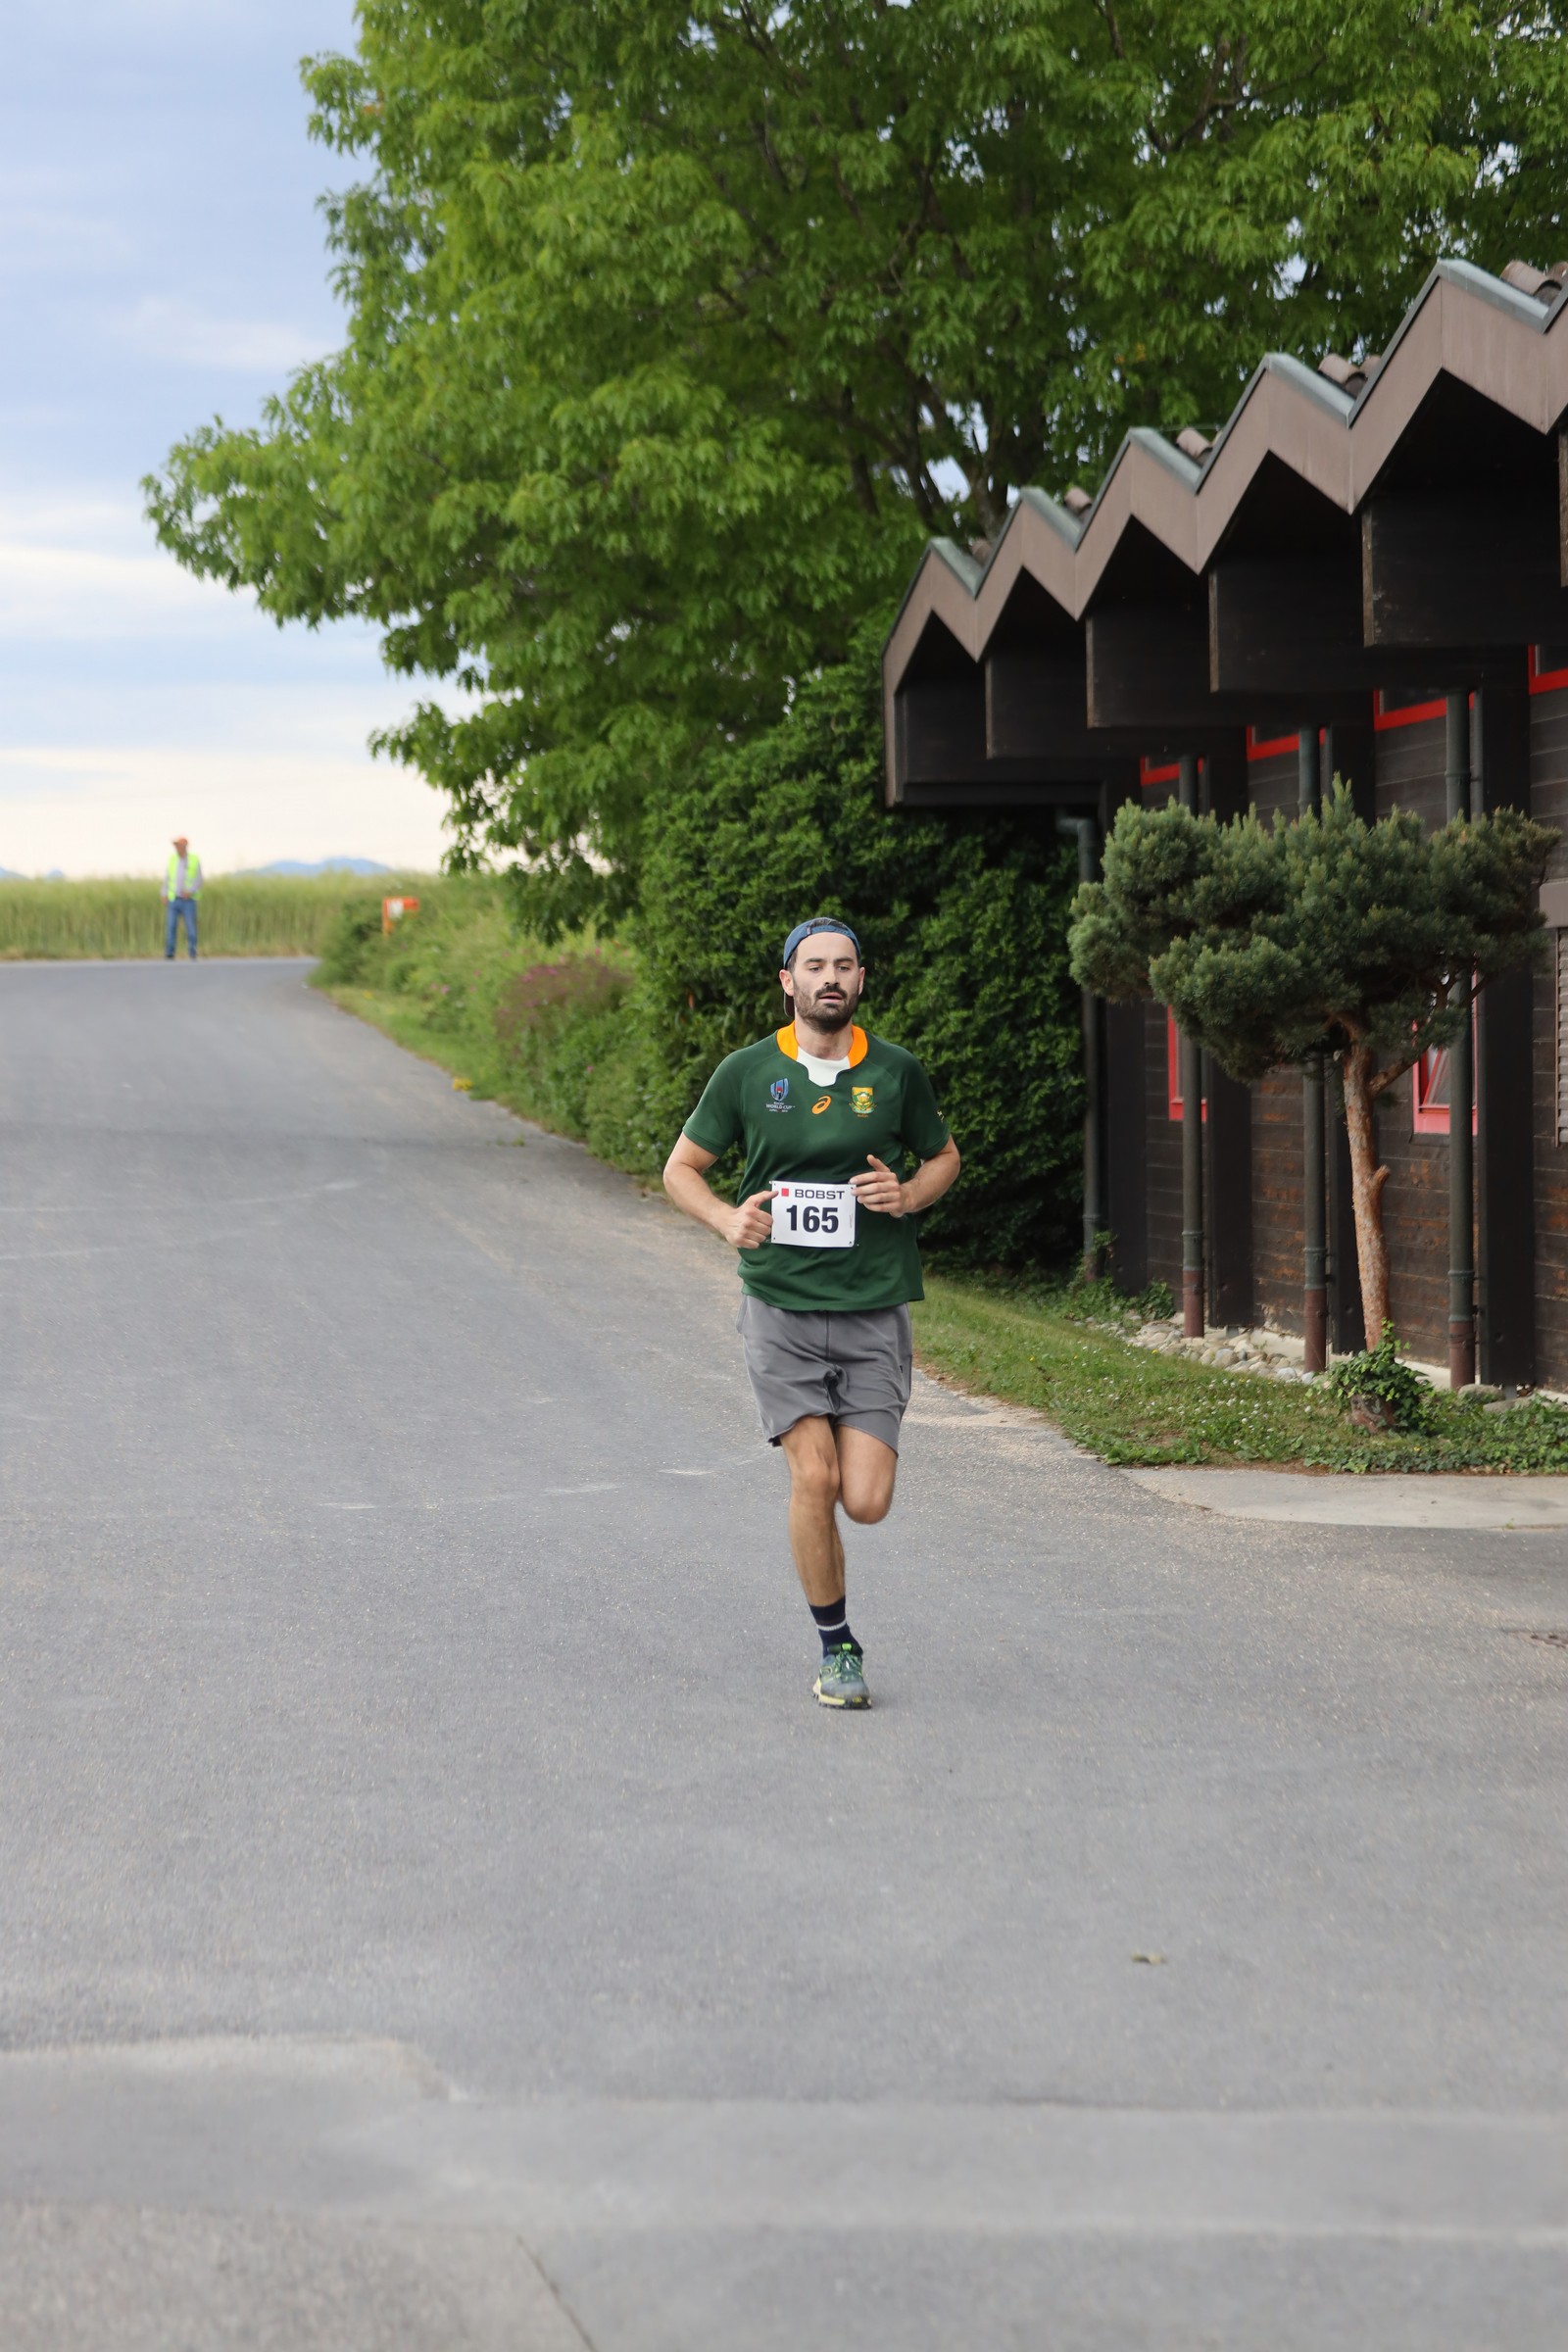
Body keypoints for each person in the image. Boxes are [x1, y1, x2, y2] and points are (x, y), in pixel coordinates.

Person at [663, 918, 960, 1709]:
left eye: (844, 965)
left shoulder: (896, 1072)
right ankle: (838, 1649)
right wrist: (726, 1218)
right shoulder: (747, 1072)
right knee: (815, 1476)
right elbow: (681, 1168)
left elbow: (944, 1156)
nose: (830, 977)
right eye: (815, 966)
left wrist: (909, 1194)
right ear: (787, 982)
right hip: (781, 1307)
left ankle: (838, 1615)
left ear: (862, 980)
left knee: (864, 1500)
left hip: (873, 1308)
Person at [163, 836, 202, 960]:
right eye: (175, 845)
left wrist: (190, 892)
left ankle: (192, 951)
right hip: (173, 899)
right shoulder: (172, 859)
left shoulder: (194, 860)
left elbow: (198, 879)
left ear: (185, 846)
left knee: (191, 927)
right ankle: (170, 952)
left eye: (179, 845)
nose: (177, 848)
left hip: (188, 900)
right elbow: (167, 878)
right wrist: (164, 893)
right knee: (171, 926)